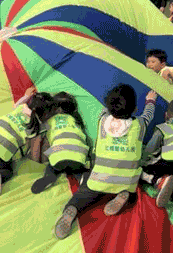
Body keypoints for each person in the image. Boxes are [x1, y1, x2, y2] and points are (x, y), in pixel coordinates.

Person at [54, 85, 157, 240]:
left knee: (85, 190)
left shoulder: (102, 121)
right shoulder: (140, 125)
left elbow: (104, 109)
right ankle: (124, 194)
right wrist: (150, 101)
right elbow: (149, 113)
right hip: (126, 180)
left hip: (99, 178)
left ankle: (72, 209)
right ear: (135, 109)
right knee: (132, 183)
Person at [31, 92, 90, 194]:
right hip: (78, 156)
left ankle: (49, 177)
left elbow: (45, 146)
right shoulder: (75, 119)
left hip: (58, 157)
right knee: (78, 169)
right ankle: (82, 178)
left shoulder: (48, 121)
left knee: (52, 167)